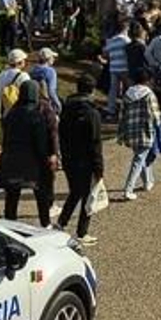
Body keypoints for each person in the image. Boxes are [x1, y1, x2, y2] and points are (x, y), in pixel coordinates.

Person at [0, 80, 55, 225]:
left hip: (12, 158)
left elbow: (5, 137)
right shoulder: (36, 115)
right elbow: (40, 141)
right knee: (41, 192)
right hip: (32, 160)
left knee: (12, 194)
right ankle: (45, 223)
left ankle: (10, 222)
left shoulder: (11, 113)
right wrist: (46, 157)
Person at [56, 76, 104, 243]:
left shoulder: (66, 109)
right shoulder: (92, 113)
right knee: (88, 195)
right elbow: (95, 142)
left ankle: (62, 222)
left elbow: (60, 134)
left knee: (75, 191)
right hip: (86, 160)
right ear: (92, 90)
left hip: (69, 157)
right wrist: (99, 166)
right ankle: (82, 232)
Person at [118, 68, 161, 200]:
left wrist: (121, 133)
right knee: (138, 159)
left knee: (140, 156)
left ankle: (147, 182)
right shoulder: (149, 94)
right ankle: (128, 189)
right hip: (145, 130)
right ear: (147, 80)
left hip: (131, 131)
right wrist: (159, 127)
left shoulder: (127, 93)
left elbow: (121, 115)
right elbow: (155, 115)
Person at [0, 48, 30, 119]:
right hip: (17, 114)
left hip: (2, 113)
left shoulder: (1, 75)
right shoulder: (23, 76)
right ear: (20, 62)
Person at [31, 47, 62, 113]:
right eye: (52, 57)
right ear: (48, 59)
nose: (54, 59)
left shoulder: (33, 70)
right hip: (47, 103)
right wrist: (58, 104)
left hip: (35, 102)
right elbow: (51, 91)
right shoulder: (50, 71)